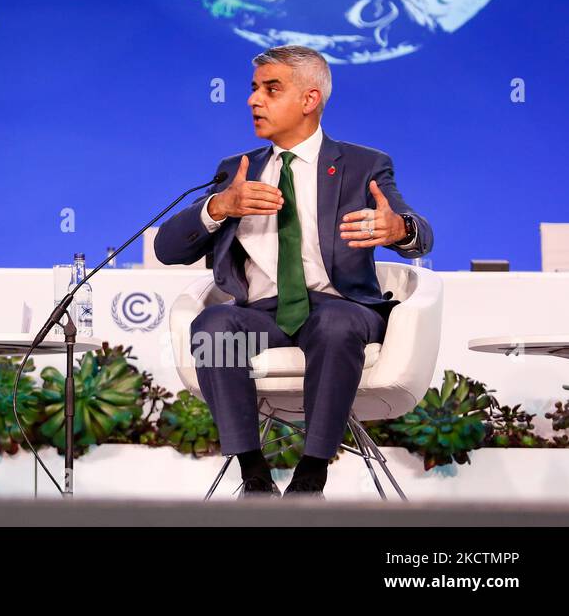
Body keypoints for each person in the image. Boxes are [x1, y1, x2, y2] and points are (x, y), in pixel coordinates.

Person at [154, 45, 433, 498]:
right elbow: (168, 249)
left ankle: (311, 474)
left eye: (271, 89)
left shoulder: (364, 165)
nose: (253, 100)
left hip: (341, 308)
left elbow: (421, 234)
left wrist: (397, 228)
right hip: (262, 315)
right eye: (253, 89)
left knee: (335, 322)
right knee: (214, 324)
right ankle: (253, 473)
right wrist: (218, 206)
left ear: (310, 99)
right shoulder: (236, 171)